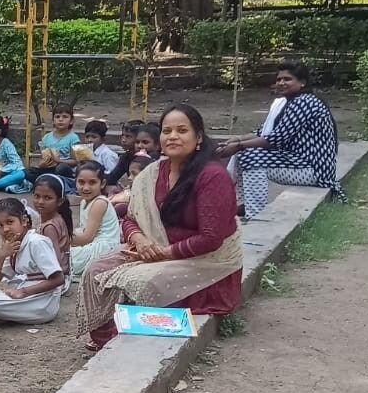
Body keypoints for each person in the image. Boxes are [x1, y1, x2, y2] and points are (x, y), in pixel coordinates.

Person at [78, 103, 244, 351]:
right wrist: (142, 243)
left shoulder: (212, 176)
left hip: (205, 259)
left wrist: (162, 254)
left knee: (142, 283)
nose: (173, 136)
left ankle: (126, 341)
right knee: (95, 270)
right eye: (167, 131)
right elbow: (132, 218)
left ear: (198, 137)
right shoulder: (152, 173)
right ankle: (106, 339)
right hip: (151, 248)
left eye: (182, 130)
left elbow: (211, 239)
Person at [217, 60, 349, 219]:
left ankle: (255, 214)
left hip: (313, 170)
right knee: (245, 154)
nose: (281, 83)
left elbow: (273, 139)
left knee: (249, 156)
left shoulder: (304, 102)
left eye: (287, 79)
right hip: (299, 162)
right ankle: (244, 205)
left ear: (302, 82)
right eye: (279, 79)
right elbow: (263, 132)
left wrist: (238, 146)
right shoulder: (289, 102)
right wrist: (236, 140)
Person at [0, 197, 65, 324]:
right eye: (0, 225)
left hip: (42, 302)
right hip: (26, 293)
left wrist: (23, 292)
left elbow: (59, 279)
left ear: (24, 221)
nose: (5, 229)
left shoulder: (36, 242)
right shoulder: (14, 244)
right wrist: (1, 255)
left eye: (10, 222)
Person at [65, 162, 123, 281]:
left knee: (61, 258)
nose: (86, 188)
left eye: (92, 182)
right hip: (92, 242)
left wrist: (59, 239)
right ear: (75, 182)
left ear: (102, 184)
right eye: (81, 182)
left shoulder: (99, 203)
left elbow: (87, 238)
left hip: (104, 248)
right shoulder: (84, 202)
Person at [30, 174, 76, 278]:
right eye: (37, 196)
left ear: (60, 201)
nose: (40, 202)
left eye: (47, 198)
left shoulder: (49, 227)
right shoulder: (58, 217)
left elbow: (56, 263)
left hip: (55, 278)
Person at [28, 104, 81, 183]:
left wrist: (59, 161)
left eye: (65, 117)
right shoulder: (46, 138)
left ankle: (50, 182)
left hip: (64, 169)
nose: (61, 119)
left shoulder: (73, 138)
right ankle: (46, 181)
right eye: (57, 117)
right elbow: (43, 157)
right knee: (29, 172)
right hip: (49, 168)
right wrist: (42, 164)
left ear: (71, 121)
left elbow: (75, 161)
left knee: (61, 168)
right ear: (53, 120)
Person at [105, 123, 160, 189]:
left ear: (157, 145)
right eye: (137, 142)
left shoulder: (159, 161)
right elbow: (112, 178)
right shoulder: (127, 157)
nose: (140, 146)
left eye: (145, 142)